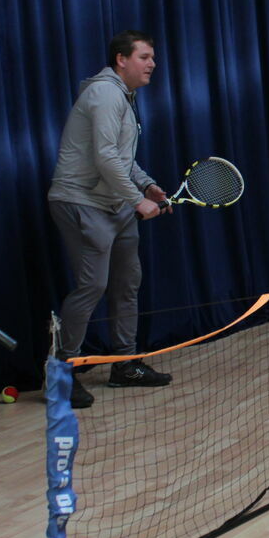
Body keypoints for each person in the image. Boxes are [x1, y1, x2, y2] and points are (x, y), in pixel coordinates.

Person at [48, 32, 174, 409]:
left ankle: (124, 365)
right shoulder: (104, 94)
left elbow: (120, 159)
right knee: (92, 286)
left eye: (153, 57)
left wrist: (147, 186)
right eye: (145, 57)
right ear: (121, 60)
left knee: (127, 283)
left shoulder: (124, 96)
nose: (152, 64)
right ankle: (61, 375)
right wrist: (137, 200)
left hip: (114, 203)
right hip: (82, 202)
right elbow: (104, 158)